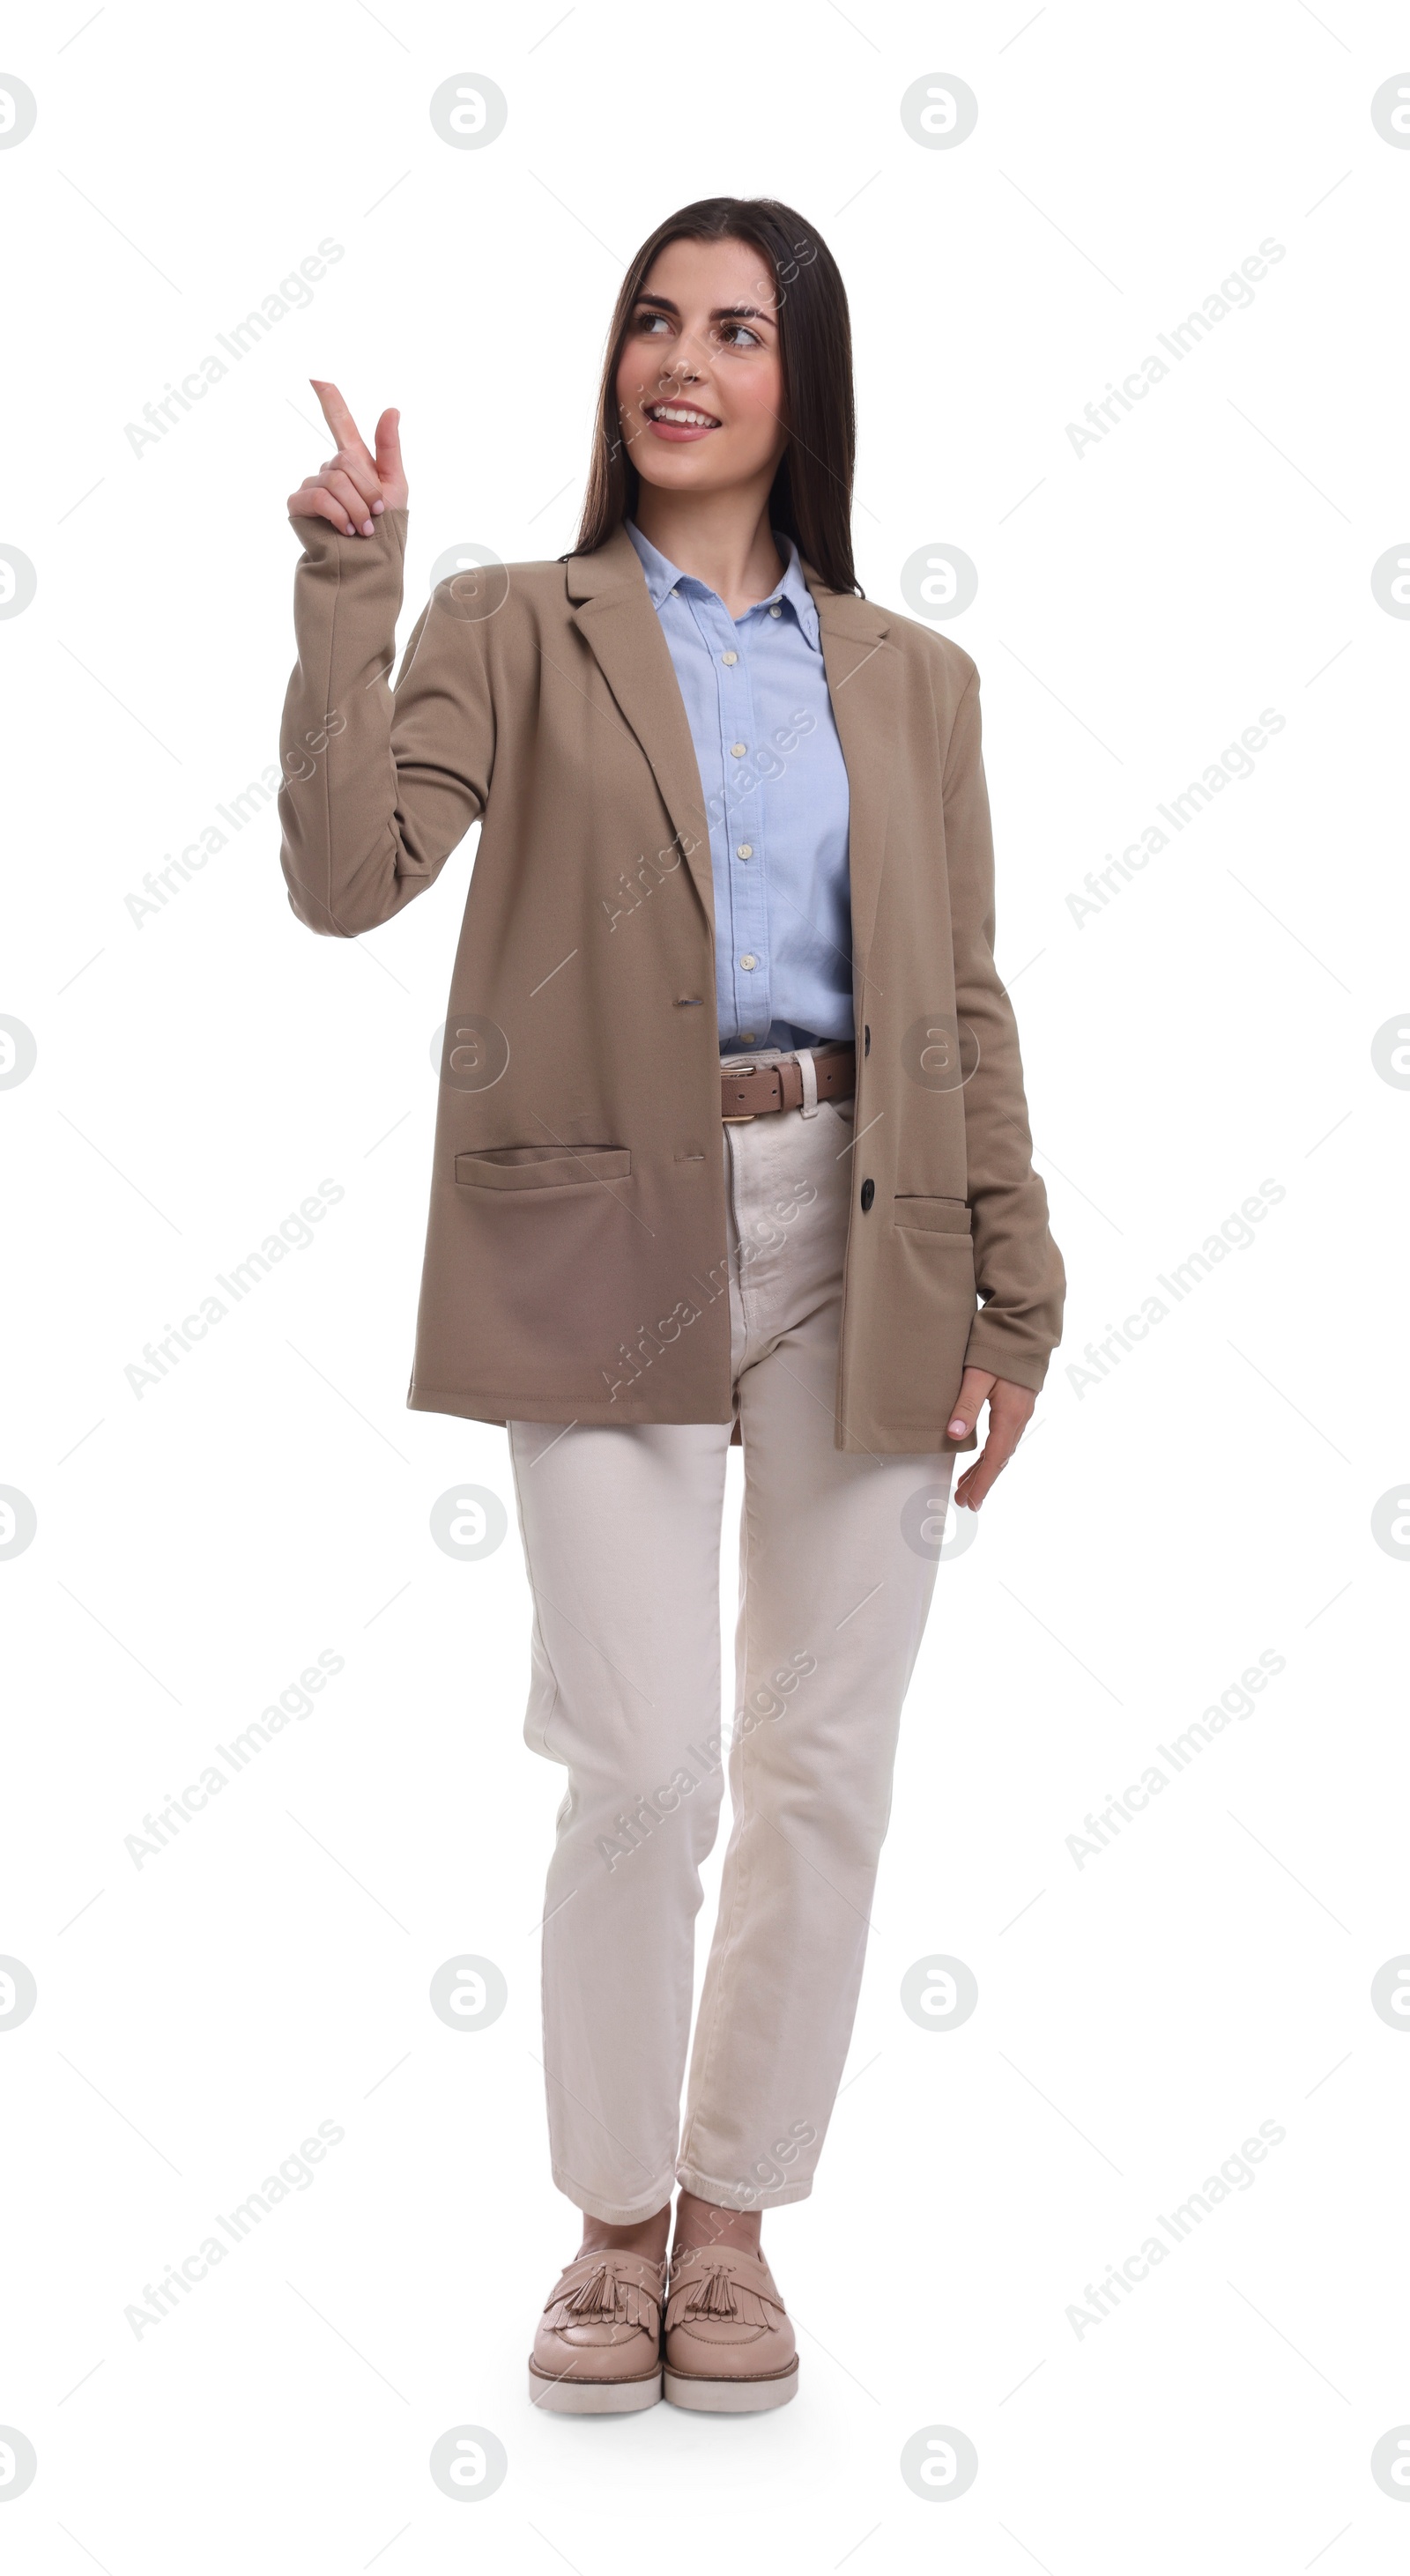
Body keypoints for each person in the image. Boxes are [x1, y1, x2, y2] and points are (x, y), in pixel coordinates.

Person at [278, 194, 1064, 2416]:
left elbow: (960, 1000)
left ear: (802, 378)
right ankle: (608, 2223)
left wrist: (1017, 1285)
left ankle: (729, 2230)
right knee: (639, 1762)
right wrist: (352, 580)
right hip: (598, 1215)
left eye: (733, 326)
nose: (679, 358)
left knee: (821, 1760)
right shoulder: (516, 621)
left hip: (873, 1219)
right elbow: (349, 878)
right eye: (650, 319)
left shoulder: (913, 680)